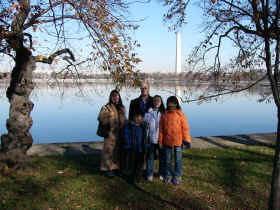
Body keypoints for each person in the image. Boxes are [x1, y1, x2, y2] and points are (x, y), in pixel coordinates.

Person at [158, 96, 191, 185]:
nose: (171, 105)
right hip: (167, 141)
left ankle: (177, 176)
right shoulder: (164, 115)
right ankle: (168, 175)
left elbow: (185, 129)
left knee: (178, 160)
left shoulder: (181, 114)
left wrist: (187, 140)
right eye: (169, 103)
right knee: (168, 160)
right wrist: (160, 141)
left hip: (178, 142)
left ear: (176, 104)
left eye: (173, 103)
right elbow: (161, 129)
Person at [97, 89, 126, 178]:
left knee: (117, 151)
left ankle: (116, 168)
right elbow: (100, 118)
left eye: (117, 96)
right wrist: (107, 117)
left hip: (120, 133)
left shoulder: (122, 108)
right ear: (110, 97)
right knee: (108, 151)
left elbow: (124, 119)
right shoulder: (106, 107)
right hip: (110, 134)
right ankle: (107, 169)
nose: (115, 98)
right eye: (113, 96)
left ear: (119, 97)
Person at [123, 112, 150, 184]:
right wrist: (128, 145)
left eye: (140, 117)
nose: (138, 118)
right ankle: (131, 179)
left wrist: (147, 145)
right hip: (132, 149)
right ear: (133, 117)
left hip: (141, 149)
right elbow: (126, 136)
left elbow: (146, 137)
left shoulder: (144, 126)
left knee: (140, 164)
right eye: (136, 117)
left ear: (142, 118)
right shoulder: (129, 126)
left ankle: (138, 179)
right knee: (132, 164)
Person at [143, 95, 166, 182]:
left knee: (162, 157)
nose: (157, 102)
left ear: (161, 102)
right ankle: (149, 174)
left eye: (158, 101)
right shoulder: (148, 113)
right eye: (155, 100)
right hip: (151, 139)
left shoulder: (164, 113)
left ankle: (161, 173)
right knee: (150, 157)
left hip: (161, 139)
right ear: (153, 102)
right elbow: (145, 126)